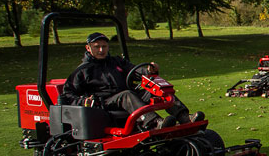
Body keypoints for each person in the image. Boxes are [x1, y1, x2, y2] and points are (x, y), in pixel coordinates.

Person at [60, 32, 203, 131]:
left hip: (127, 96)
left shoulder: (116, 62)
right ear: (88, 48)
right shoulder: (82, 71)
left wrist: (148, 70)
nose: (101, 50)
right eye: (97, 47)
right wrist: (84, 101)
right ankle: (154, 123)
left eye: (104, 46)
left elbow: (134, 71)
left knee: (156, 89)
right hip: (105, 103)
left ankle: (184, 117)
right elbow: (68, 94)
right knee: (127, 95)